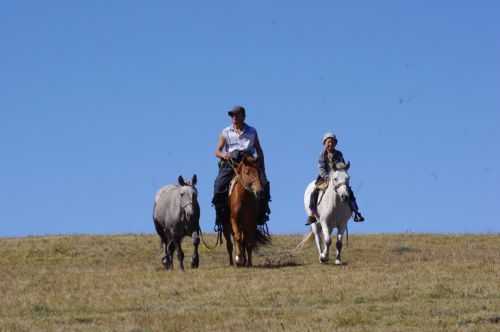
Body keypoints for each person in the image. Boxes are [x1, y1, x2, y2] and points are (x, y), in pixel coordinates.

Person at [212, 106, 271, 230]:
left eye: (236, 115)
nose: (234, 118)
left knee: (264, 185)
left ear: (243, 116)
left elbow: (259, 150)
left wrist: (262, 168)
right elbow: (217, 151)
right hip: (231, 162)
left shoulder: (252, 131)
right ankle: (220, 216)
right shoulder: (225, 132)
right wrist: (224, 155)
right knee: (218, 185)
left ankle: (262, 213)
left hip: (248, 162)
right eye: (232, 116)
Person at [305, 132, 365, 225]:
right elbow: (321, 168)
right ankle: (312, 214)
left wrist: (342, 170)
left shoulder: (339, 154)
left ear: (335, 144)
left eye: (332, 142)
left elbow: (342, 165)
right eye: (328, 142)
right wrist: (327, 177)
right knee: (315, 192)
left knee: (349, 192)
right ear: (325, 143)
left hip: (337, 178)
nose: (330, 144)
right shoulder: (322, 155)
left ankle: (356, 212)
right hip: (324, 178)